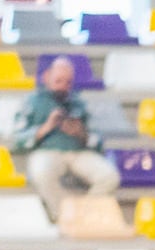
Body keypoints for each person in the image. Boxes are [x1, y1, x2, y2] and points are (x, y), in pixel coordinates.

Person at [17, 58, 121, 215]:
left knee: (109, 177)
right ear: (46, 77)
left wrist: (81, 134)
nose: (63, 87)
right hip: (47, 151)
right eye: (58, 81)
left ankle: (83, 214)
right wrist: (45, 128)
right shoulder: (32, 102)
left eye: (68, 82)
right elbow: (16, 140)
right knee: (42, 173)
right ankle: (64, 215)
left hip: (78, 151)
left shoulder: (80, 103)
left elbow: (98, 142)